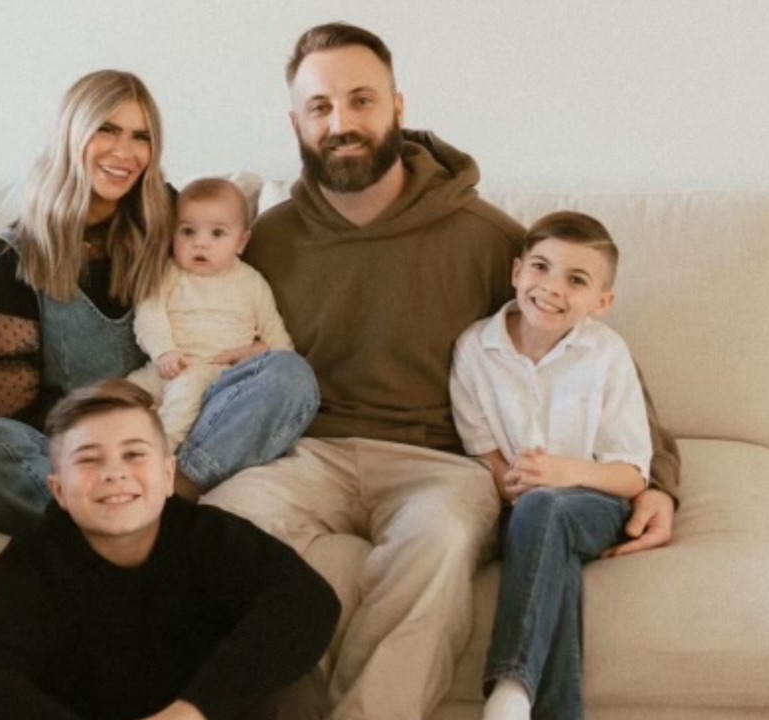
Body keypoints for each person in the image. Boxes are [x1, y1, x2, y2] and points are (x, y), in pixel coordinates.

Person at [201, 22, 681, 720]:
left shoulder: (483, 237)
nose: (341, 123)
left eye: (361, 100)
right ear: (296, 124)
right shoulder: (266, 240)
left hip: (438, 464)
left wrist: (658, 481)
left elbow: (588, 356)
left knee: (440, 542)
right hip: (307, 456)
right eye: (320, 107)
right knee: (218, 528)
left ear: (398, 106)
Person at [0, 70, 319, 534]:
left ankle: (160, 499)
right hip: (81, 444)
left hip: (182, 424)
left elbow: (225, 280)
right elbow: (14, 411)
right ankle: (146, 516)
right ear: (72, 134)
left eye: (141, 136)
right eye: (107, 129)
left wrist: (258, 350)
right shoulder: (15, 256)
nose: (124, 152)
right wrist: (106, 432)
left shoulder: (166, 215)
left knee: (289, 376)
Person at [0, 379, 340, 720]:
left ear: (168, 475)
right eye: (88, 460)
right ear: (58, 490)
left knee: (293, 681)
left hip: (209, 705)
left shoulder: (208, 536)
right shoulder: (37, 563)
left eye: (133, 454)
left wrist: (192, 711)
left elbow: (306, 598)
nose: (114, 472)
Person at [450, 212, 651, 720]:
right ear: (517, 272)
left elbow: (631, 475)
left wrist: (565, 473)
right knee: (547, 541)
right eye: (541, 267)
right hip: (520, 510)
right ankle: (526, 706)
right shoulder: (475, 348)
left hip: (595, 504)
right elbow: (484, 452)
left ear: (602, 302)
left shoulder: (607, 354)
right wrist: (515, 484)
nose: (552, 288)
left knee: (547, 508)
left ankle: (510, 685)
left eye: (577, 280)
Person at [126, 178, 293, 450]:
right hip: (165, 365)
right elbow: (149, 315)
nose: (200, 243)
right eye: (188, 231)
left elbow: (279, 340)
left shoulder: (252, 283)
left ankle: (160, 453)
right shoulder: (167, 273)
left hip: (215, 375)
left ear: (241, 242)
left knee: (185, 396)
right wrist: (163, 351)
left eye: (217, 233)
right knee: (121, 394)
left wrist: (261, 350)